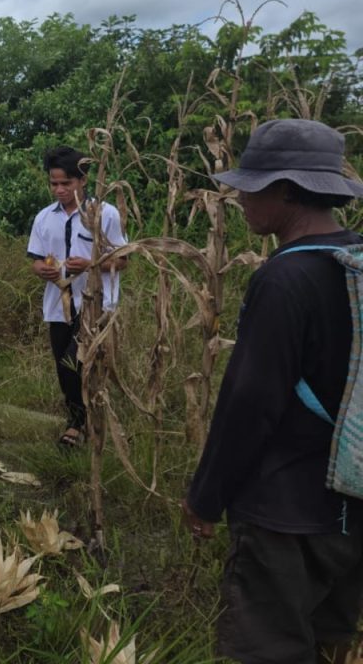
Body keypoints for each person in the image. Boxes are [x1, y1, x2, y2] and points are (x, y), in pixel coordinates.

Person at [182, 118, 363, 664]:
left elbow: (251, 404)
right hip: (349, 510)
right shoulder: (353, 262)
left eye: (250, 185)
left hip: (284, 515)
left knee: (267, 647)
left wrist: (206, 496)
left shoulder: (284, 280)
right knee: (332, 643)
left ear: (286, 191)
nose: (238, 197)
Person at [26, 146, 127, 447]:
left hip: (94, 304)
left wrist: (91, 265)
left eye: (65, 184)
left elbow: (122, 260)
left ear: (82, 180)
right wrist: (41, 270)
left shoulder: (105, 215)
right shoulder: (44, 218)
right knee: (63, 365)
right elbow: (35, 258)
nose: (59, 190)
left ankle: (79, 425)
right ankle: (79, 418)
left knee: (77, 361)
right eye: (53, 184)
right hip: (58, 306)